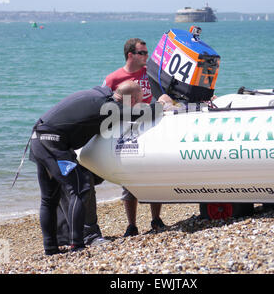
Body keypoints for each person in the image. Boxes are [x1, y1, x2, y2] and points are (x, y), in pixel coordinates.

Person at [29, 81, 171, 255]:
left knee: (49, 198)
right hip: (53, 144)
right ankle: (77, 244)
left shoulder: (99, 95)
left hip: (38, 139)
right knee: (80, 188)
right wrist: (162, 103)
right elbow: (142, 114)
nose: (139, 104)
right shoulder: (110, 107)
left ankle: (50, 248)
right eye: (138, 101)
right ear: (131, 100)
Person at [103, 38, 165, 237]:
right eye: (143, 53)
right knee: (129, 180)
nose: (147, 56)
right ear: (130, 55)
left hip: (152, 127)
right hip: (126, 133)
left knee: (155, 174)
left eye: (147, 53)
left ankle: (156, 219)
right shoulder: (113, 79)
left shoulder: (151, 74)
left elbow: (165, 94)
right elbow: (103, 104)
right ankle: (132, 225)